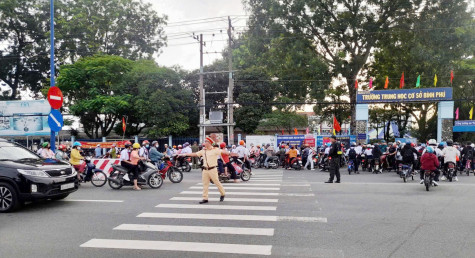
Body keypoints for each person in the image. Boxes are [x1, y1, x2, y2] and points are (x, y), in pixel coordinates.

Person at [180, 137, 228, 204]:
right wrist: (185, 154)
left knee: (217, 182)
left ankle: (222, 193)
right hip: (205, 169)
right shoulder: (203, 151)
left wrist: (228, 153)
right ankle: (205, 198)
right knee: (205, 184)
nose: (204, 143)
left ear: (209, 143)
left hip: (213, 169)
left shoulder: (215, 150)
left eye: (206, 142)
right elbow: (195, 154)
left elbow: (223, 152)